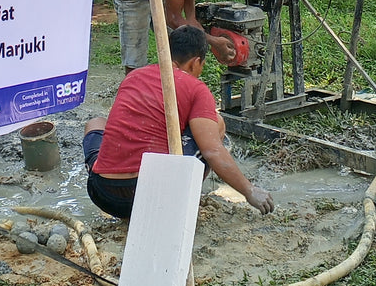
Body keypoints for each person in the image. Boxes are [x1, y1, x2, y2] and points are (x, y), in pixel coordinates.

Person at [82, 25, 275, 220]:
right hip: (151, 196)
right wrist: (249, 190)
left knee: (96, 123)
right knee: (215, 123)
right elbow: (212, 151)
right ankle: (179, 199)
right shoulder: (195, 88)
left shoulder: (134, 76)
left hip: (103, 193)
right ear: (195, 62)